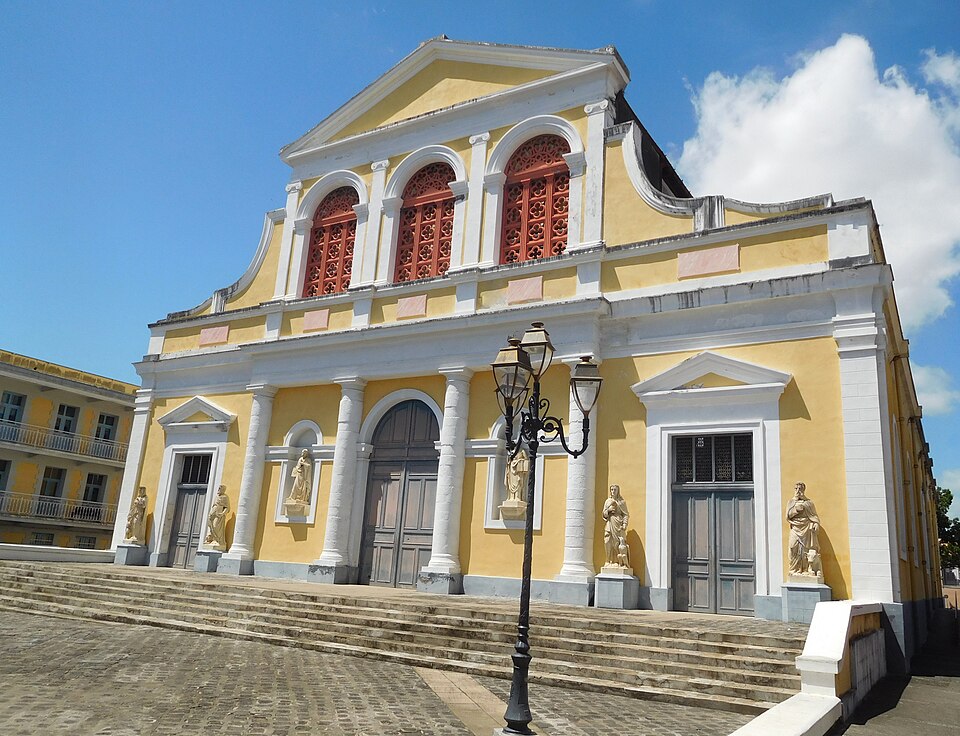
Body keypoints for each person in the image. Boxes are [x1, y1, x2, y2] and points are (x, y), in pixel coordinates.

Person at [786, 482, 820, 575]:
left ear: (804, 490)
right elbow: (788, 516)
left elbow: (814, 516)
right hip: (795, 527)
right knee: (793, 547)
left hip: (806, 528)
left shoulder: (809, 503)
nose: (798, 491)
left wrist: (816, 524)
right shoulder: (791, 502)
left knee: (806, 549)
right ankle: (794, 569)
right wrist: (796, 510)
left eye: (800, 489)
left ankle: (806, 569)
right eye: (796, 489)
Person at [603, 484, 630, 567]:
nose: (613, 491)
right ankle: (608, 560)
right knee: (607, 540)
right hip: (610, 522)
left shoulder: (622, 502)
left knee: (617, 542)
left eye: (615, 490)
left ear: (618, 491)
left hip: (618, 523)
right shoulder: (608, 501)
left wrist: (624, 524)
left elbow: (625, 514)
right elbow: (604, 514)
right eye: (611, 489)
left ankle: (618, 562)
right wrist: (608, 510)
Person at [204, 485, 230, 550]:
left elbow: (227, 507)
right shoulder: (216, 496)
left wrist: (222, 513)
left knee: (216, 526)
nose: (218, 489)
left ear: (223, 490)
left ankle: (218, 541)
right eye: (218, 488)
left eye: (220, 488)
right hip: (212, 513)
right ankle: (212, 539)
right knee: (211, 526)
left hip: (219, 514)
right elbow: (213, 505)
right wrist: (211, 513)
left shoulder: (225, 497)